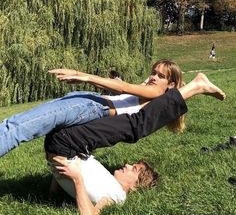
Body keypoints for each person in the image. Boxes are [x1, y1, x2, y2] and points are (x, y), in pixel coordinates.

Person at [45, 73, 225, 215]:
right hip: (66, 144)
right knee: (134, 125)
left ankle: (193, 87)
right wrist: (55, 190)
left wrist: (75, 179)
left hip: (64, 143)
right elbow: (66, 172)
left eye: (135, 169)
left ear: (135, 187)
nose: (127, 165)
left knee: (135, 126)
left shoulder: (117, 196)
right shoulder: (110, 185)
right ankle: (172, 91)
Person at [0, 60, 225, 157]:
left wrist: (84, 76)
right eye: (153, 72)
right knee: (18, 123)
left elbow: (120, 85)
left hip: (90, 106)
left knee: (18, 127)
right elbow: (116, 89)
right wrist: (80, 76)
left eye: (160, 75)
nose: (153, 77)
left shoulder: (157, 95)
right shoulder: (148, 91)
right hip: (86, 100)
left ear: (172, 85)